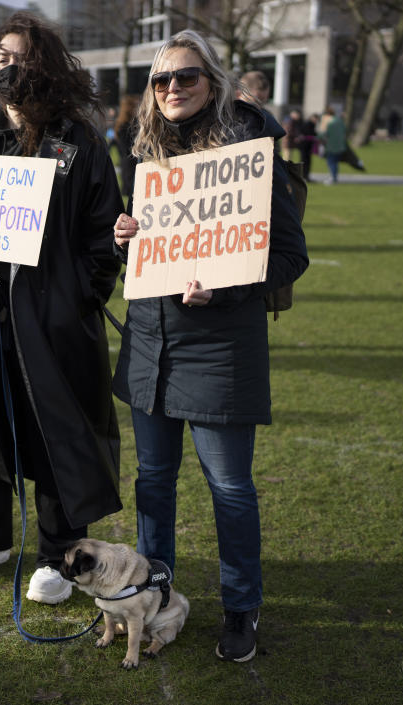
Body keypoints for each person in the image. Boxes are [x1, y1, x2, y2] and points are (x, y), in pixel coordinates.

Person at [110, 29, 308, 662]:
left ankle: (240, 607)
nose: (172, 89)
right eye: (161, 80)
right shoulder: (143, 151)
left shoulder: (249, 147)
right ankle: (154, 592)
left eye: (186, 77)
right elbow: (143, 249)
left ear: (213, 81)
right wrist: (126, 239)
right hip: (150, 340)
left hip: (221, 344)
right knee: (154, 481)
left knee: (229, 486)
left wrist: (219, 291)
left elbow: (288, 256)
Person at [0, 11, 123, 605]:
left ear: (47, 68)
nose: (7, 66)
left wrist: (78, 296)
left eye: (20, 57)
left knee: (56, 428)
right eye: (0, 57)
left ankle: (62, 551)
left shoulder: (79, 141)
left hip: (54, 321)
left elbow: (102, 235)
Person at [113, 94, 140, 197]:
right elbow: (127, 147)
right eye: (135, 106)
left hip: (129, 160)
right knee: (131, 191)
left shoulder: (125, 125)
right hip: (129, 161)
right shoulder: (125, 126)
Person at [317, 107, 346, 184]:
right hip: (340, 145)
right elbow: (344, 131)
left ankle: (333, 178)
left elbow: (323, 134)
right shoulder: (339, 121)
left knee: (331, 162)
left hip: (331, 145)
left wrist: (319, 136)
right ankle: (334, 177)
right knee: (335, 162)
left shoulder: (329, 122)